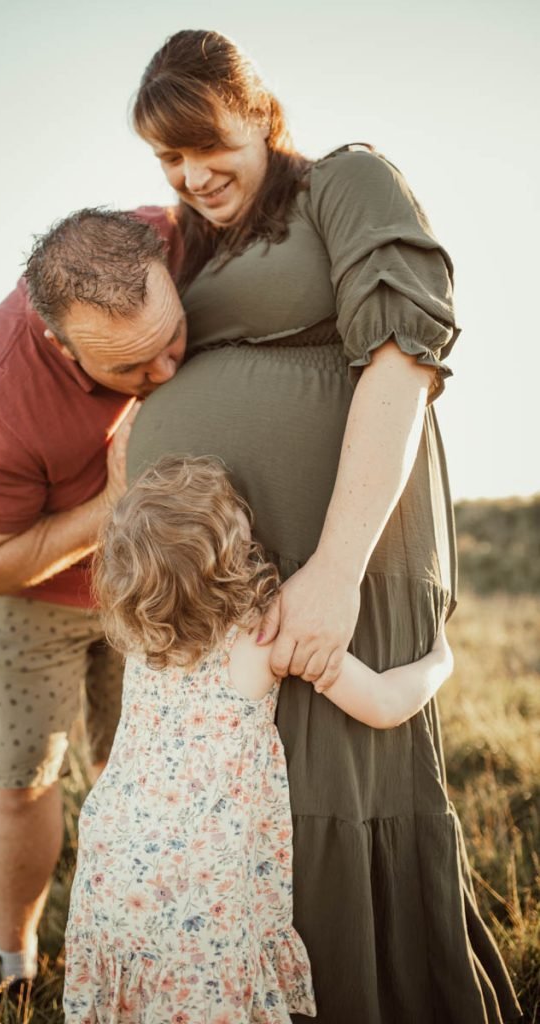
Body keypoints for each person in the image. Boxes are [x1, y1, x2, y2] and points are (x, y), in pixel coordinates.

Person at [124, 29, 521, 1024]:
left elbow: (401, 358)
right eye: (166, 156)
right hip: (215, 588)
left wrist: (335, 568)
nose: (189, 173)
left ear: (258, 113)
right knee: (233, 821)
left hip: (341, 554)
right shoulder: (194, 242)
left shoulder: (343, 183)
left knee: (332, 806)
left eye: (205, 143)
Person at [63, 455, 455, 1024]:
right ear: (233, 558)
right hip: (201, 886)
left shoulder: (141, 642)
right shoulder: (262, 636)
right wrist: (440, 659)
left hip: (115, 862)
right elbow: (387, 705)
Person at [0, 207, 186, 1012]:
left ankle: (146, 943)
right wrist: (111, 505)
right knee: (25, 782)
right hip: (34, 596)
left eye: (171, 341)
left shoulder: (169, 233)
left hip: (150, 583)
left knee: (144, 776)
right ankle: (15, 964)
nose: (168, 374)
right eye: (132, 369)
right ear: (61, 346)